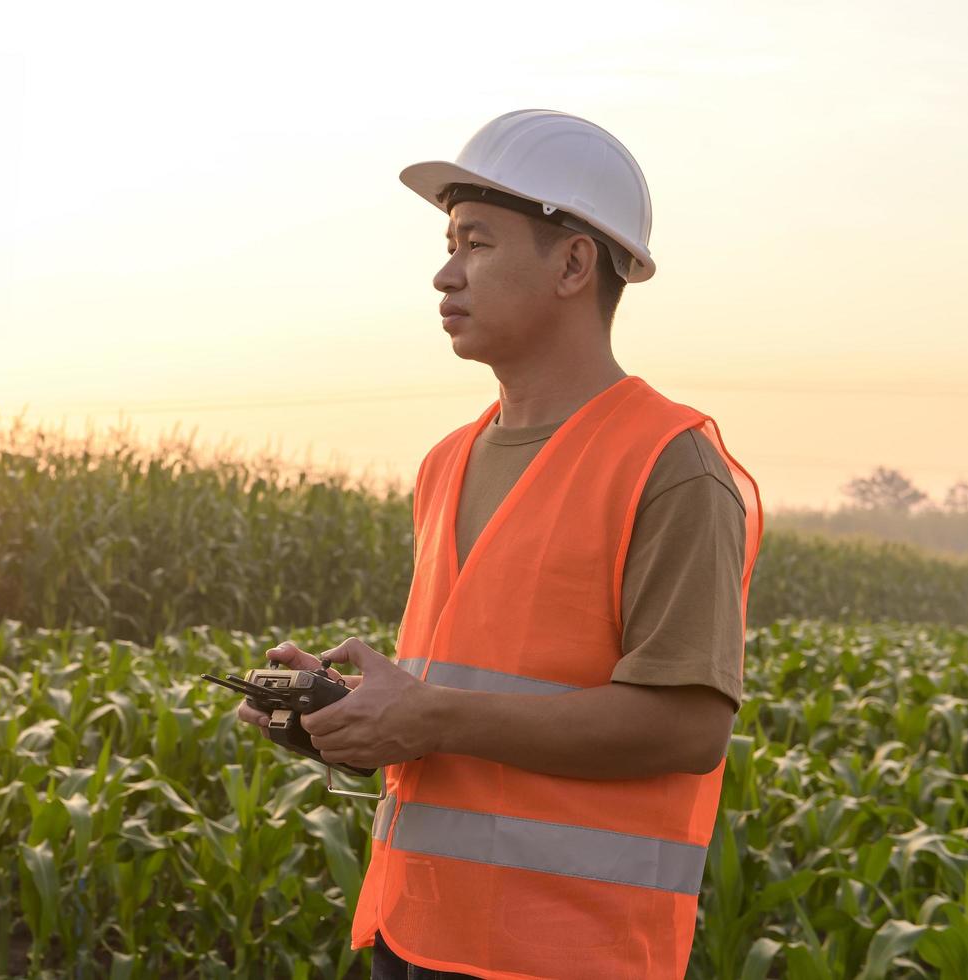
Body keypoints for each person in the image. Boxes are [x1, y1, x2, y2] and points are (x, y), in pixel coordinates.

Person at [236, 109, 762, 979]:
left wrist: (429, 713)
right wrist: (351, 721)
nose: (445, 274)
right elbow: (466, 702)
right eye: (448, 243)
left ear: (571, 263)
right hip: (413, 934)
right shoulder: (447, 461)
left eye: (474, 242)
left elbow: (687, 728)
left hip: (570, 954)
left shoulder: (671, 466)